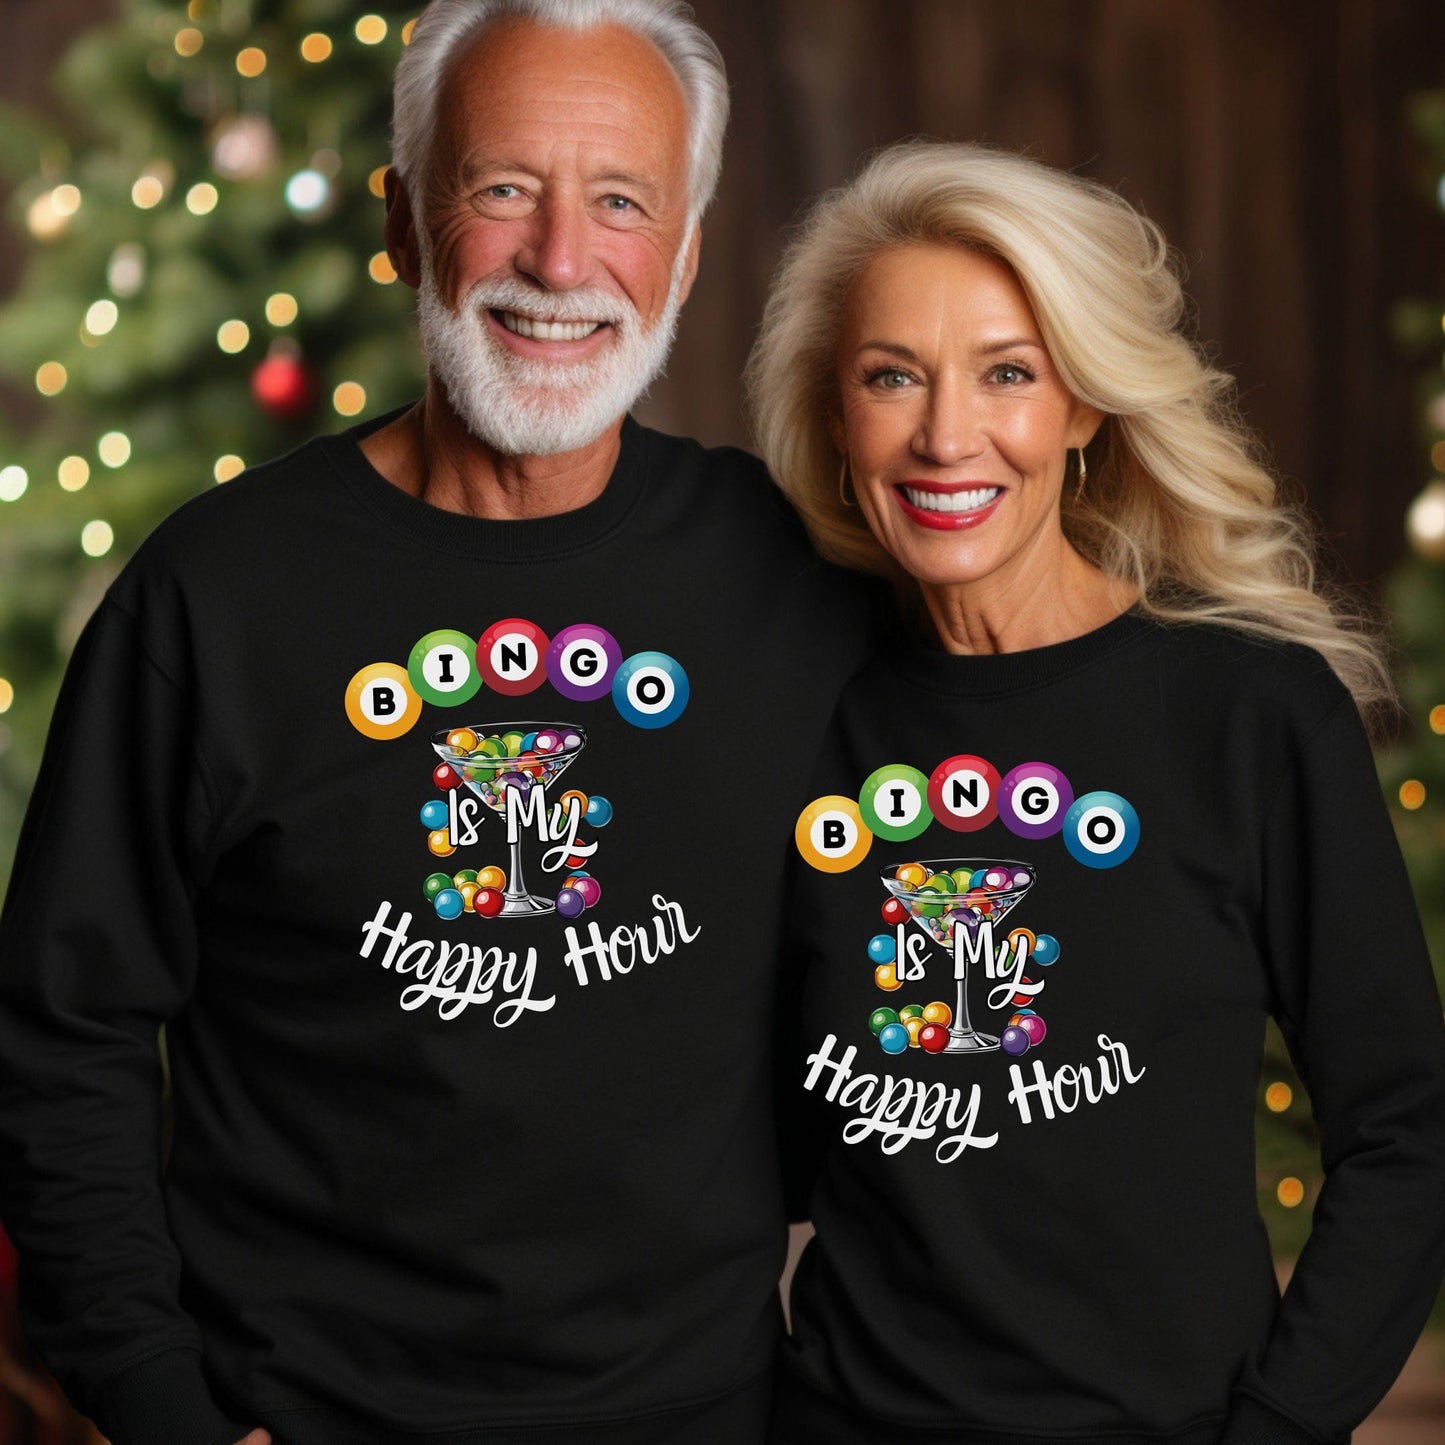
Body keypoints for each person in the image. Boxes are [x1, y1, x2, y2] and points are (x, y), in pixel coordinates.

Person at [0, 4, 880, 1443]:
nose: (557, 261)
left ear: (690, 248)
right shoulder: (215, 600)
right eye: (499, 190)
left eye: (620, 202)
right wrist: (162, 1409)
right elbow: (60, 1034)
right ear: (403, 218)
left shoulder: (789, 577)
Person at [749, 141, 1445, 1445]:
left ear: (1082, 407)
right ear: (837, 417)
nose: (945, 434)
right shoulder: (787, 712)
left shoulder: (1248, 714)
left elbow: (1408, 1133)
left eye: (1006, 373)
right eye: (890, 376)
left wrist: (1279, 1428)